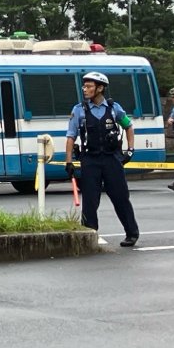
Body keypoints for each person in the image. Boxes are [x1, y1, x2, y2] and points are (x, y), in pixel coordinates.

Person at [64, 70, 140, 247]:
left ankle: (132, 233)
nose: (85, 89)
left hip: (112, 159)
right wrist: (69, 161)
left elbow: (129, 126)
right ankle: (89, 235)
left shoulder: (114, 108)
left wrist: (130, 150)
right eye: (84, 86)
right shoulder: (79, 110)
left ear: (100, 88)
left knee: (121, 197)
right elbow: (70, 136)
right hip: (90, 160)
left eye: (89, 86)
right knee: (90, 200)